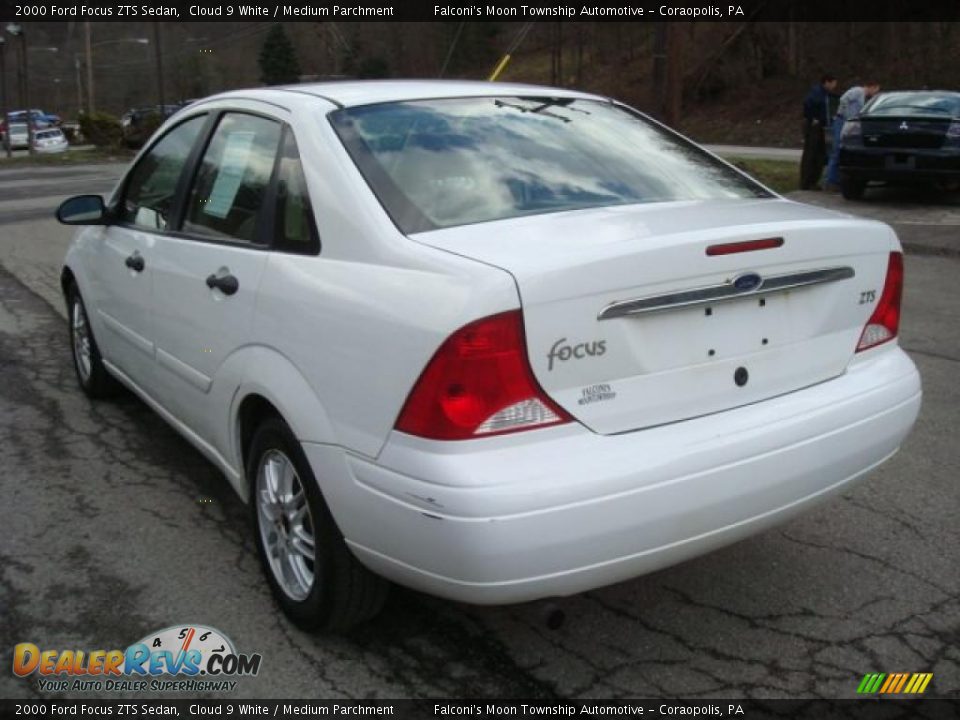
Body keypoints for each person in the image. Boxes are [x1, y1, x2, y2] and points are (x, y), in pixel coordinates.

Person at [826, 81, 881, 190]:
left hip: (849, 122)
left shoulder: (864, 98)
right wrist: (846, 115)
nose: (875, 93)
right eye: (876, 90)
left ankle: (837, 180)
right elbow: (843, 99)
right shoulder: (858, 91)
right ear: (872, 87)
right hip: (842, 121)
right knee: (837, 150)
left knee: (842, 151)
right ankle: (831, 181)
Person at [800, 74, 838, 190]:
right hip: (814, 126)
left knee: (820, 155)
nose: (834, 86)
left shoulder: (826, 94)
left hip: (822, 126)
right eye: (833, 83)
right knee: (811, 154)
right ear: (827, 82)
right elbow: (808, 103)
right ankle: (806, 182)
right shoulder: (817, 93)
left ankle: (814, 181)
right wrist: (813, 118)